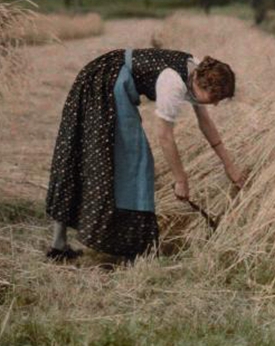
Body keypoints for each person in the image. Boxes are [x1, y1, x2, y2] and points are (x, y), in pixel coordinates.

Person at [46, 49, 246, 261]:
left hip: (106, 77)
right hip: (104, 83)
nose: (214, 104)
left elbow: (205, 123)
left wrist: (229, 165)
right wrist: (181, 180)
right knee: (132, 163)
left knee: (100, 158)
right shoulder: (173, 83)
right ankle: (128, 247)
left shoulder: (197, 70)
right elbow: (165, 137)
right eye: (214, 98)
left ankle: (65, 245)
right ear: (201, 84)